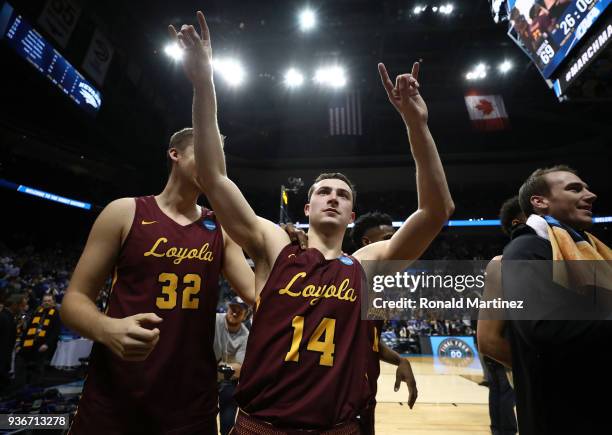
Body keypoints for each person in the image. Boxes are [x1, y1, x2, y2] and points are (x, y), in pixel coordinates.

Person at [170, 11, 453, 432]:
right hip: (260, 425)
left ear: (352, 215)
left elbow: (436, 211)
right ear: (307, 208)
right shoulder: (273, 245)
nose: (333, 198)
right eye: (324, 192)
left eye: (343, 195)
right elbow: (213, 177)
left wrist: (417, 124)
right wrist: (202, 82)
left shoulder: (366, 264)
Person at [61, 125, 255, 434]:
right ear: (175, 154)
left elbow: (260, 294)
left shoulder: (221, 228)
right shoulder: (125, 212)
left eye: (219, 159)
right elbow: (73, 301)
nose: (214, 165)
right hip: (115, 397)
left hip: (191, 402)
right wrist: (107, 327)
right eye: (205, 153)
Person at [502, 165, 612, 435]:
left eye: (586, 187)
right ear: (540, 202)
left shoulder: (593, 248)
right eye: (575, 189)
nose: (591, 195)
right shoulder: (526, 248)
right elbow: (542, 329)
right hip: (564, 416)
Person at [350, 212, 418, 434]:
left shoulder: (377, 291)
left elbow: (370, 342)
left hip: (366, 393)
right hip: (342, 395)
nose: (396, 245)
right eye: (388, 238)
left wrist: (400, 360)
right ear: (367, 244)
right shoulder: (348, 283)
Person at [477, 197, 524, 435]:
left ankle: (500, 430)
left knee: (498, 392)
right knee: (504, 393)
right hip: (504, 341)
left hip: (498, 343)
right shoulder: (505, 262)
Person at [214, 297, 250, 435]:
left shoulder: (245, 336)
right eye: (233, 308)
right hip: (206, 377)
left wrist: (217, 366)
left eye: (239, 311)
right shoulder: (215, 320)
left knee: (227, 424)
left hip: (228, 381)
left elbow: (240, 370)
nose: (235, 313)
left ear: (245, 315)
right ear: (228, 308)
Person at [15, 292, 61, 387]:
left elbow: (55, 332)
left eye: (49, 301)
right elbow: (28, 328)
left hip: (43, 343)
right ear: (42, 302)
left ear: (53, 302)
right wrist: (21, 344)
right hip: (30, 342)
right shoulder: (37, 312)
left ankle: (36, 386)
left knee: (39, 366)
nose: (47, 303)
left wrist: (47, 344)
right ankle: (20, 384)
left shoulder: (56, 314)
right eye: (45, 301)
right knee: (22, 361)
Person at [0, 293, 26, 394]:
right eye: (22, 305)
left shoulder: (8, 316)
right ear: (14, 305)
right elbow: (4, 344)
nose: (23, 308)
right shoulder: (5, 318)